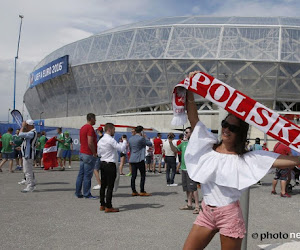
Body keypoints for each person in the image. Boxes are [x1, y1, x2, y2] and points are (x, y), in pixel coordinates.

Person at [182, 77, 300, 250]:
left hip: (229, 215)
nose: (226, 129)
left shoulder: (248, 158)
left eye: (233, 128)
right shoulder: (208, 147)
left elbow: (290, 161)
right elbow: (194, 120)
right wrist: (189, 90)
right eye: (225, 124)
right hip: (206, 212)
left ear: (241, 134)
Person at [169, 127, 200, 214]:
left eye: (187, 132)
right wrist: (170, 142)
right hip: (183, 168)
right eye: (185, 132)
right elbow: (175, 150)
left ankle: (197, 206)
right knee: (186, 187)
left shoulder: (195, 143)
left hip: (191, 169)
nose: (185, 134)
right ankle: (189, 204)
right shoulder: (183, 143)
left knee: (193, 188)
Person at [98, 123, 127, 213]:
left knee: (103, 185)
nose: (114, 131)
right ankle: (109, 206)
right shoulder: (111, 140)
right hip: (110, 164)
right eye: (114, 130)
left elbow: (98, 154)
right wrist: (124, 141)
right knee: (110, 186)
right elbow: (121, 148)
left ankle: (102, 204)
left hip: (102, 163)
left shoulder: (101, 140)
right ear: (109, 129)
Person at [75, 113, 97, 199]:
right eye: (94, 119)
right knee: (87, 175)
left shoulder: (82, 128)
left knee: (81, 174)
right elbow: (90, 142)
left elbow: (81, 141)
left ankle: (78, 192)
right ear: (91, 119)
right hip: (88, 154)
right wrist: (94, 152)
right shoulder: (90, 128)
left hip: (82, 152)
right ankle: (87, 193)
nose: (95, 121)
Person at [129, 126, 152, 196]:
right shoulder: (141, 138)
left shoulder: (130, 138)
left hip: (132, 158)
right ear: (141, 131)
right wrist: (145, 137)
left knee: (133, 175)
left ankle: (133, 190)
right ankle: (142, 190)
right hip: (139, 158)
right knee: (142, 175)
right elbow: (149, 144)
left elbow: (130, 148)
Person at [19, 120, 38, 192]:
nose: (25, 126)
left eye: (26, 125)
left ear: (29, 125)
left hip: (28, 154)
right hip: (27, 154)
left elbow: (20, 134)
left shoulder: (32, 133)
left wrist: (22, 126)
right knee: (28, 170)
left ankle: (30, 186)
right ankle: (31, 182)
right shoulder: (32, 132)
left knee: (28, 171)